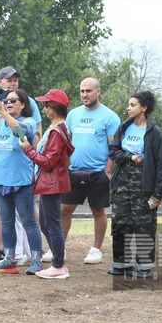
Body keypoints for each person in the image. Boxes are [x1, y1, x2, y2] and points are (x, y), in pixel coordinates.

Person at [0, 88, 45, 275]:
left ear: (23, 105)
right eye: (7, 101)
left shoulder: (27, 122)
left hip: (21, 182)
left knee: (29, 222)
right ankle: (9, 259)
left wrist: (2, 111)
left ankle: (37, 260)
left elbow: (21, 132)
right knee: (6, 222)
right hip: (0, 181)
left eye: (13, 100)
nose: (9, 103)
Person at [107, 91, 162, 278]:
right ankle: (121, 263)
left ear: (144, 108)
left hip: (144, 185)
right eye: (129, 104)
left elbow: (161, 165)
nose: (129, 108)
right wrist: (129, 157)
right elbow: (113, 151)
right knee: (120, 223)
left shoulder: (154, 132)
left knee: (144, 225)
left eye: (133, 105)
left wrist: (157, 194)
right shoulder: (124, 127)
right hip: (122, 184)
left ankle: (144, 267)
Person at [60, 77, 120, 265]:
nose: (85, 94)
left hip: (98, 173)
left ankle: (96, 249)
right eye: (82, 91)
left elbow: (114, 146)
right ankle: (58, 247)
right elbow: (65, 142)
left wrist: (108, 171)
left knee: (97, 211)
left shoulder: (110, 117)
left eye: (89, 91)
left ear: (98, 91)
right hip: (74, 171)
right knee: (64, 210)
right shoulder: (73, 115)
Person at [18, 89, 74, 279]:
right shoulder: (58, 128)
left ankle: (58, 265)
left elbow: (48, 161)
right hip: (52, 182)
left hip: (52, 183)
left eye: (47, 105)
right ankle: (59, 261)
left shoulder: (57, 132)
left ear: (56, 107)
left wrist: (28, 149)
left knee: (52, 225)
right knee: (45, 224)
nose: (45, 109)